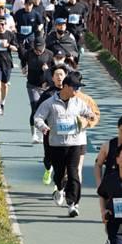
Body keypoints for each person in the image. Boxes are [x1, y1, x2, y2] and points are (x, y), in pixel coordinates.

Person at [33, 73, 97, 218]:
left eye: (78, 88)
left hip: (75, 143)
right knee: (60, 173)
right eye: (75, 88)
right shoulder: (50, 103)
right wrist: (43, 127)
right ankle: (59, 189)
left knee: (74, 173)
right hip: (57, 144)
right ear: (66, 87)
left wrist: (90, 117)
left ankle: (72, 204)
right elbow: (38, 117)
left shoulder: (79, 102)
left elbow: (89, 112)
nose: (77, 91)